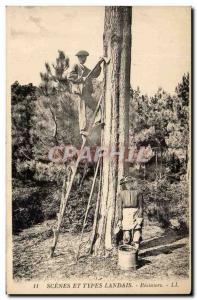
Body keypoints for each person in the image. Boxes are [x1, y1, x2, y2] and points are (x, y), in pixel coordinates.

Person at [67, 50, 103, 141]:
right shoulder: (75, 66)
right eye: (82, 57)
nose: (84, 59)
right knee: (82, 111)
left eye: (85, 58)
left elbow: (95, 74)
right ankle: (83, 130)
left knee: (97, 107)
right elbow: (70, 76)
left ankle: (97, 121)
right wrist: (81, 78)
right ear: (79, 58)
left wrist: (99, 64)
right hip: (80, 92)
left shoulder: (86, 69)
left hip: (87, 93)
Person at [116, 176, 143, 252]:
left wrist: (140, 217)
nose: (128, 185)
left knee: (137, 232)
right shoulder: (121, 194)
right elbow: (120, 207)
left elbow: (141, 206)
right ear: (124, 184)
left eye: (130, 183)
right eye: (126, 183)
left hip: (136, 213)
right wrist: (120, 219)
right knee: (126, 233)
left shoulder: (138, 192)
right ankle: (127, 251)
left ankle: (136, 251)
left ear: (132, 183)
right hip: (125, 213)